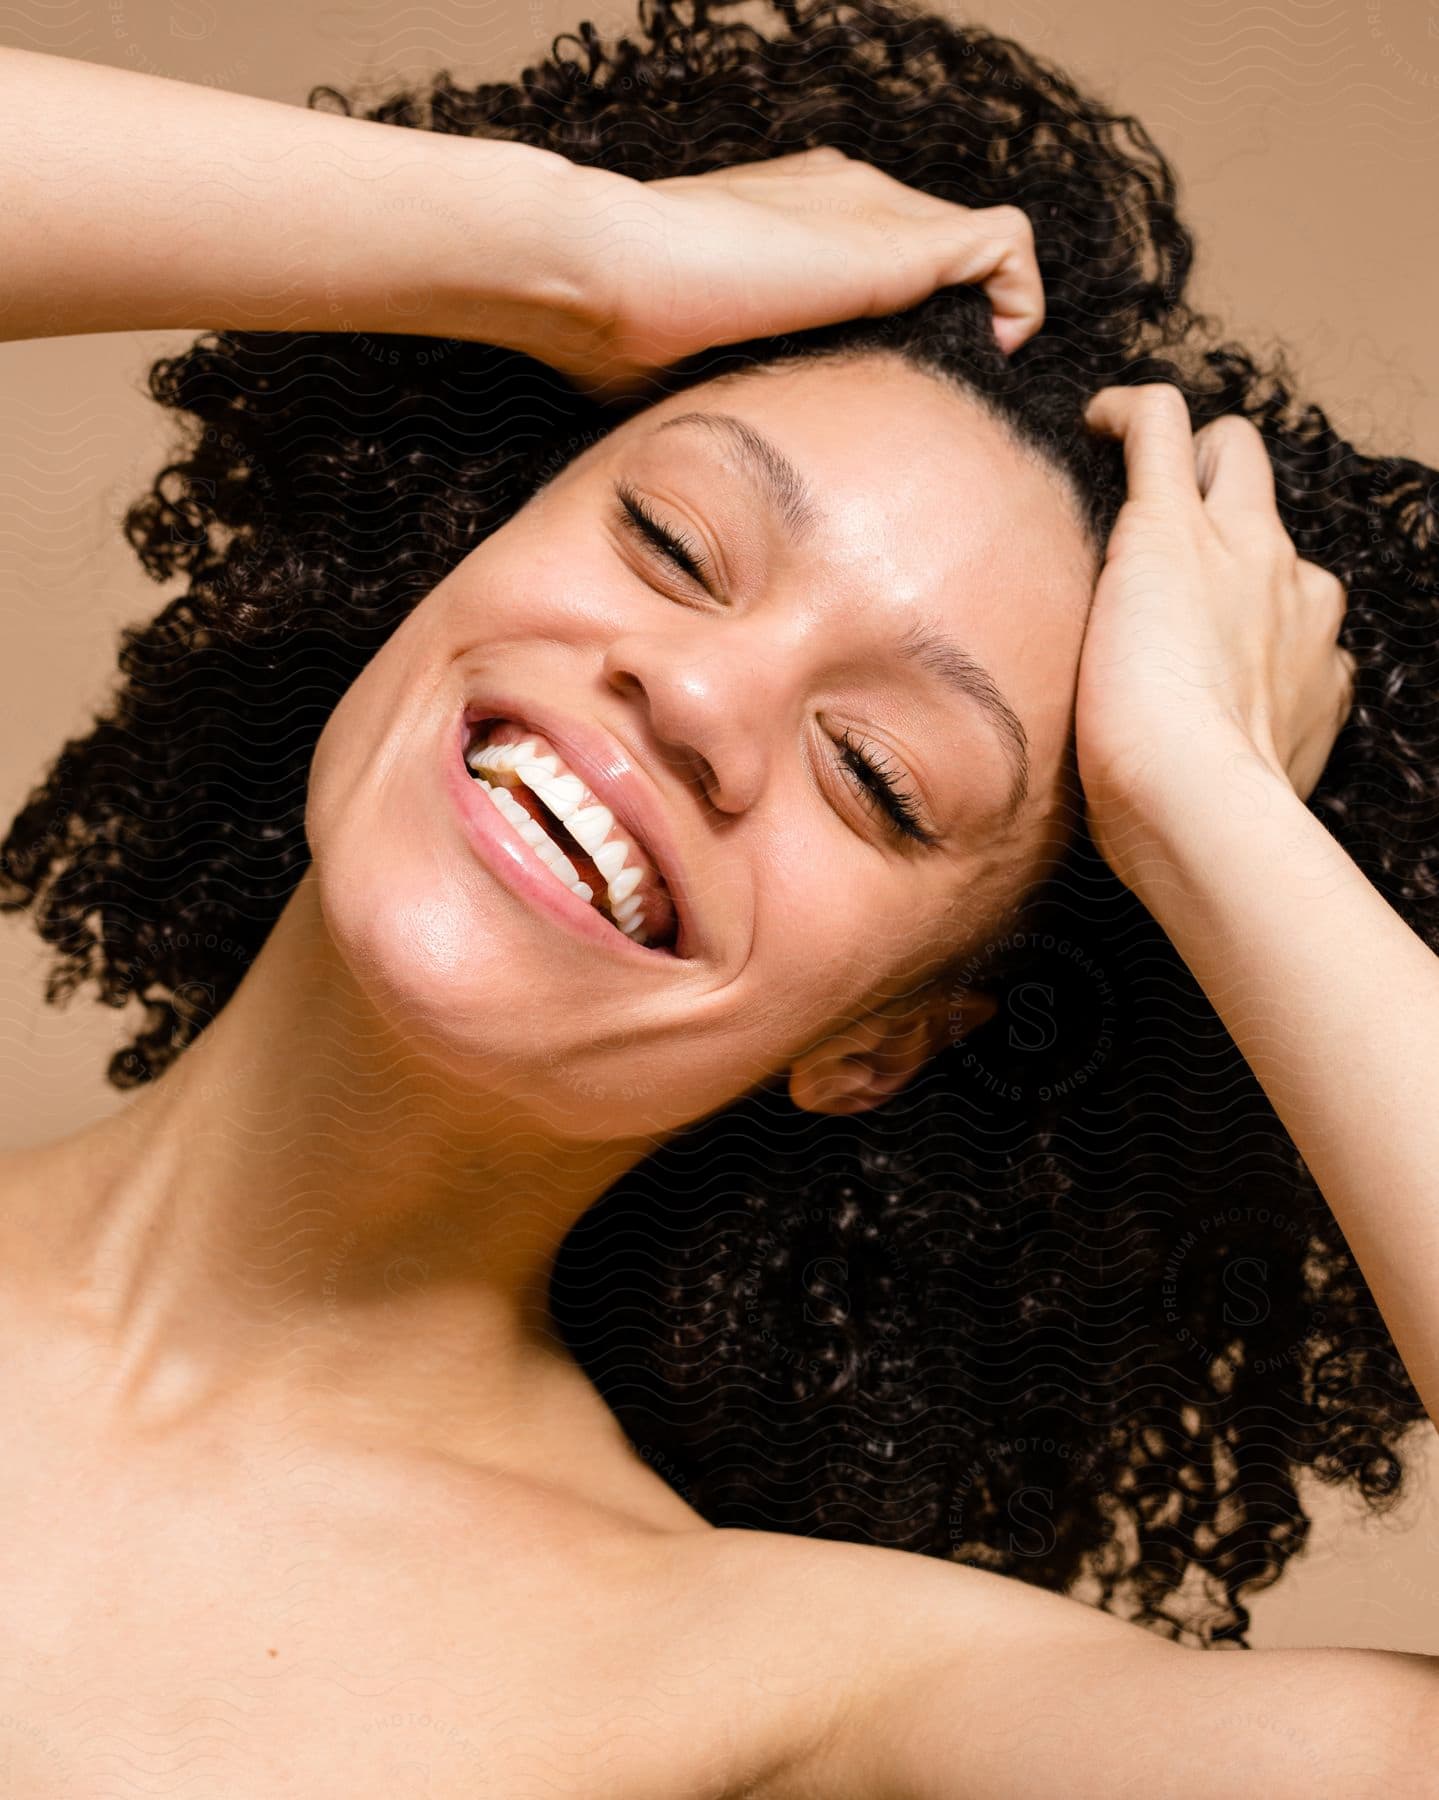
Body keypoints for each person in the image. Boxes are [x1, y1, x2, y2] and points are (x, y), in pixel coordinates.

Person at [0, 0, 1435, 1793]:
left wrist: (1210, 806)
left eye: (881, 777)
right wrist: (562, 245)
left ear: (886, 1041)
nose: (694, 703)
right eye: (673, 545)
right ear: (444, 551)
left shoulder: (780, 1692)